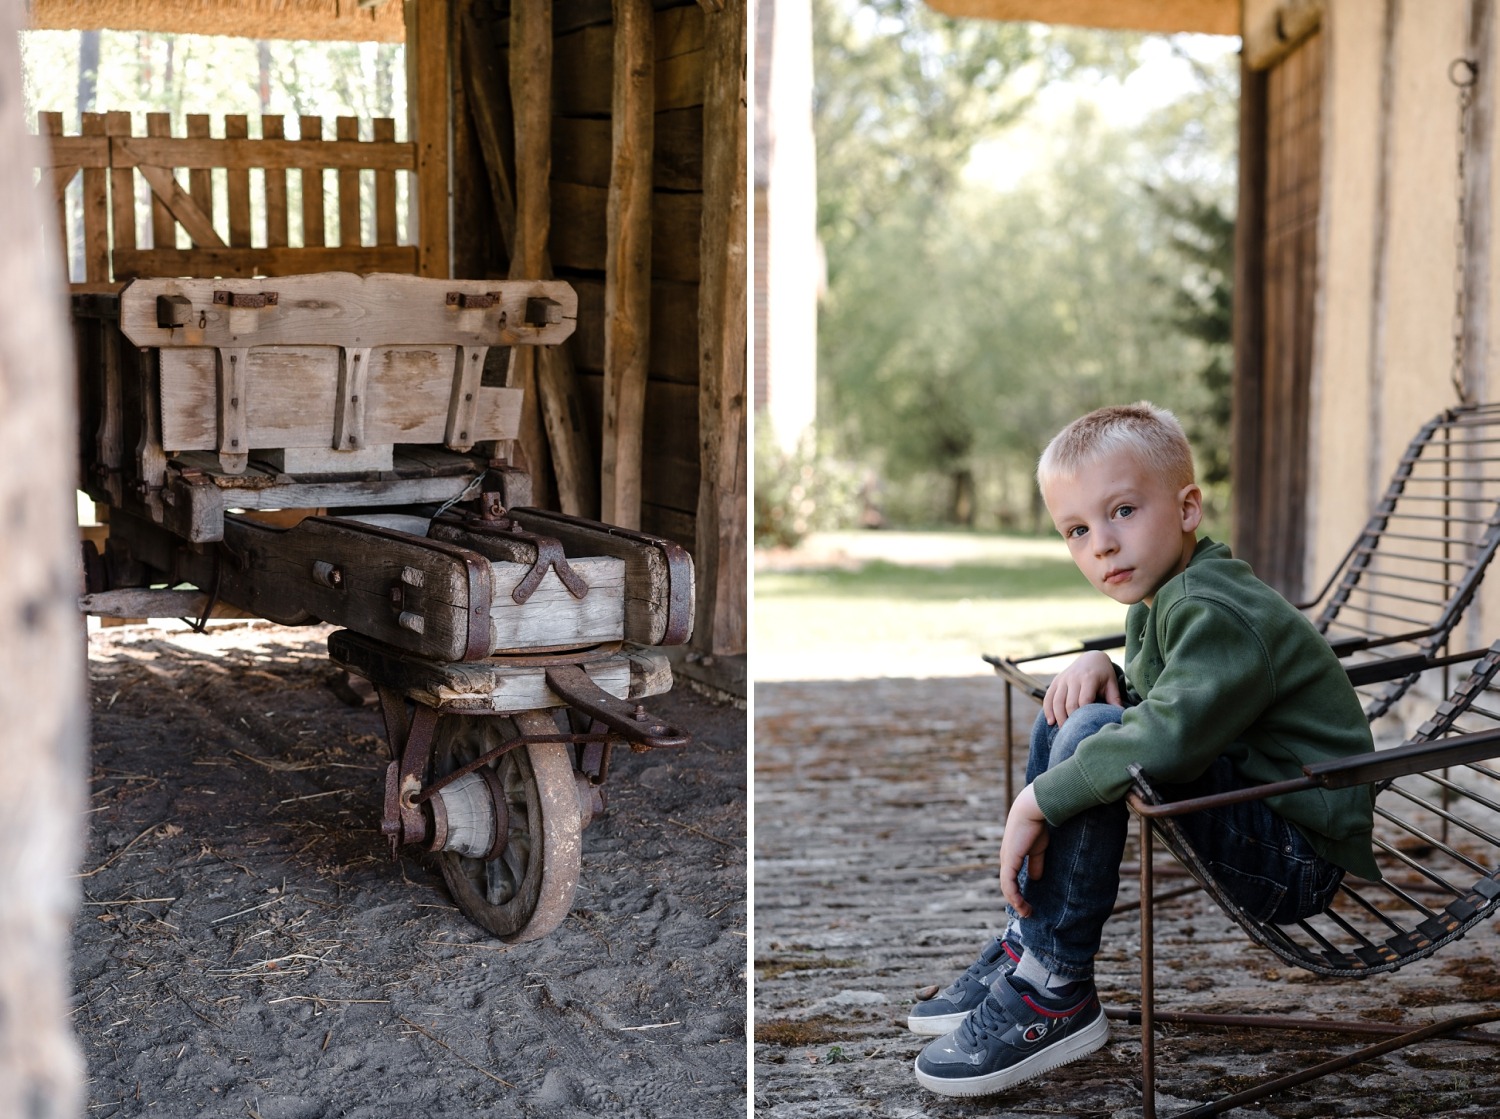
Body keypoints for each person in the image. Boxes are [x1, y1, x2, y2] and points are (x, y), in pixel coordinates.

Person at [909, 402, 1380, 1098]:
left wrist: (1038, 798)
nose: (1100, 543)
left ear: (1187, 507)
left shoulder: (1215, 606)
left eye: (1123, 510)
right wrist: (1108, 667)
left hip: (1299, 853)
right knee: (1075, 709)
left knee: (1098, 739)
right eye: (1076, 529)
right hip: (1260, 807)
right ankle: (1030, 942)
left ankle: (1055, 987)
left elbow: (1167, 737)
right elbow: (1181, 700)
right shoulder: (1167, 598)